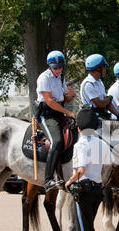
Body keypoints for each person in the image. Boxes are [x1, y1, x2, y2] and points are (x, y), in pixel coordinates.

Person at [48, 108, 113, 231]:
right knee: (81, 229)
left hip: (83, 190)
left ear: (78, 128)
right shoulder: (102, 143)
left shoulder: (80, 144)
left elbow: (81, 170)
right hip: (97, 189)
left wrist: (68, 183)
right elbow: (111, 163)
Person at [36, 50, 76, 192]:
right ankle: (48, 180)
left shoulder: (61, 77)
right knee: (57, 141)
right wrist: (69, 112)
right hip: (46, 114)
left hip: (59, 112)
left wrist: (72, 95)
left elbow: (65, 97)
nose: (58, 69)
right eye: (55, 67)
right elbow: (50, 101)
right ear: (49, 66)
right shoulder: (44, 78)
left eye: (60, 66)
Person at [80, 54, 119, 120]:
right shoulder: (88, 84)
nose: (105, 69)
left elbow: (106, 103)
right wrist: (109, 98)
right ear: (97, 68)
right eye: (104, 66)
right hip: (91, 118)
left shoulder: (99, 82)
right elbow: (101, 104)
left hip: (101, 115)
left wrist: (118, 115)